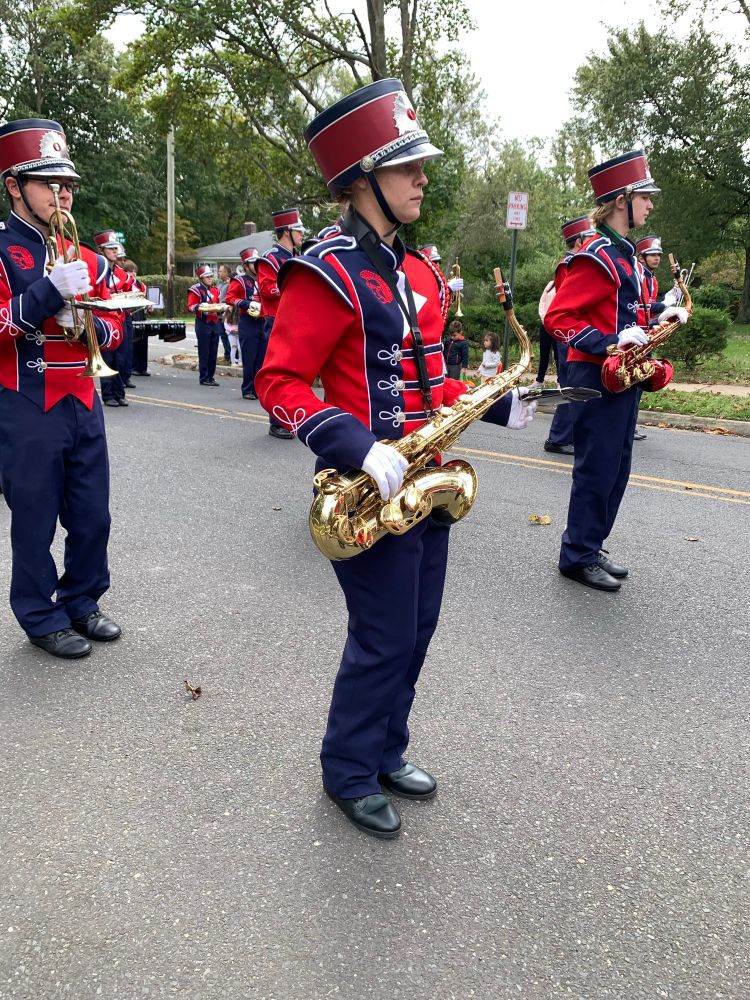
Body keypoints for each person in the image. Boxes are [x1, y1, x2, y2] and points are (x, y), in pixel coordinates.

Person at [256, 77, 536, 840]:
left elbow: (427, 373)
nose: (422, 177)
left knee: (417, 629)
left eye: (419, 164)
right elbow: (277, 380)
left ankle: (386, 750)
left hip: (427, 479)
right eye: (407, 165)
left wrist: (495, 401)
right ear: (363, 179)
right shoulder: (326, 268)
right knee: (381, 637)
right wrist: (354, 444)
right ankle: (346, 770)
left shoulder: (414, 270)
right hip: (368, 485)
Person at [0, 116, 124, 658]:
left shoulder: (89, 256)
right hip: (25, 398)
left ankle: (81, 599)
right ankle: (38, 612)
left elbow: (118, 324)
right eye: (50, 182)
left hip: (83, 395)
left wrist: (94, 325)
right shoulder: (3, 250)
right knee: (33, 514)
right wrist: (48, 292)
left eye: (67, 183)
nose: (63, 192)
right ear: (13, 185)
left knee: (93, 511)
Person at [545, 150, 688, 592]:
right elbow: (558, 318)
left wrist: (661, 321)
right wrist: (608, 341)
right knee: (597, 468)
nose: (650, 205)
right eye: (645, 197)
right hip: (595, 379)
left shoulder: (626, 256)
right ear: (622, 200)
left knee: (619, 467)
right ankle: (577, 555)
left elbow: (628, 319)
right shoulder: (597, 256)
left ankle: (592, 543)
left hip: (624, 377)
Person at [539, 215, 597, 456]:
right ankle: (558, 437)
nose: (594, 240)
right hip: (567, 335)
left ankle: (566, 435)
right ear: (578, 240)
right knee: (570, 386)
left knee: (574, 385)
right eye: (589, 236)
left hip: (573, 333)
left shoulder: (578, 262)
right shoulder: (568, 265)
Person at [255, 208, 306, 439]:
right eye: (298, 231)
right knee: (278, 373)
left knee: (296, 372)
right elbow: (267, 290)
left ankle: (291, 417)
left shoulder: (296, 257)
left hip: (295, 319)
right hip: (276, 320)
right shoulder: (269, 259)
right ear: (286, 231)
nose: (302, 235)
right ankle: (276, 421)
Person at [632, 234, 669, 442]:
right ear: (642, 257)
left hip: (648, 335)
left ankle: (630, 424)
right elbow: (641, 308)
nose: (657, 258)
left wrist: (664, 305)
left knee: (640, 384)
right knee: (634, 383)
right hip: (637, 335)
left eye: (658, 255)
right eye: (652, 254)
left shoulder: (652, 279)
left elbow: (649, 308)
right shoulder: (638, 276)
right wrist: (664, 306)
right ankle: (627, 425)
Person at [94, 229, 133, 407]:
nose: (115, 252)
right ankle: (108, 394)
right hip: (103, 318)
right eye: (110, 248)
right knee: (107, 358)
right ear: (101, 250)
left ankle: (119, 392)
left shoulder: (122, 273)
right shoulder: (95, 270)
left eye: (115, 248)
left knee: (121, 358)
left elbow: (128, 291)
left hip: (120, 318)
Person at [226, 247, 265, 398]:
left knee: (261, 358)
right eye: (253, 263)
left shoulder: (263, 278)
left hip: (262, 321)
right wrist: (246, 303)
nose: (256, 266)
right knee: (250, 357)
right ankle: (248, 389)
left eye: (258, 262)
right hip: (248, 321)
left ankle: (257, 389)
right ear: (246, 265)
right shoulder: (240, 280)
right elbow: (230, 298)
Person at [187, 264, 223, 386]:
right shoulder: (196, 290)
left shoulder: (215, 290)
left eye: (211, 276)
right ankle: (203, 377)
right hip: (203, 323)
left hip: (215, 322)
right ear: (201, 278)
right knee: (204, 351)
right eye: (207, 277)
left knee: (213, 351)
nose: (210, 279)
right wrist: (201, 307)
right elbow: (190, 306)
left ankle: (211, 376)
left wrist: (221, 308)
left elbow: (218, 304)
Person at [124, 258, 151, 376]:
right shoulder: (125, 284)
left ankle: (142, 367)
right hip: (131, 313)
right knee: (133, 341)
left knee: (143, 340)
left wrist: (149, 306)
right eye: (130, 271)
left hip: (141, 313)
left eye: (134, 271)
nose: (133, 273)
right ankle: (133, 366)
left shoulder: (141, 285)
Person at [215, 263, 233, 363]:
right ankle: (227, 355)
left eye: (221, 271)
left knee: (228, 335)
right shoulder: (219, 283)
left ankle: (231, 356)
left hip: (227, 313)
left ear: (226, 273)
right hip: (218, 313)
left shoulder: (231, 284)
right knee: (222, 335)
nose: (219, 273)